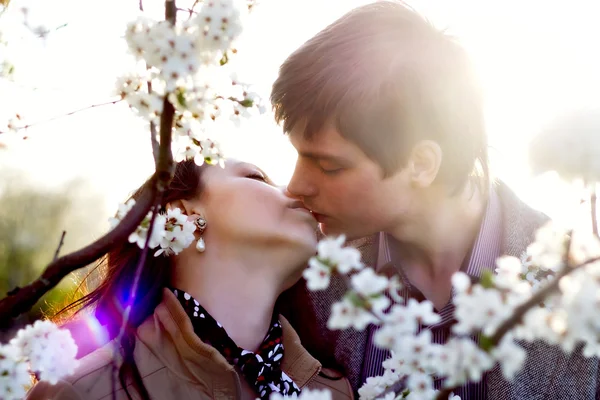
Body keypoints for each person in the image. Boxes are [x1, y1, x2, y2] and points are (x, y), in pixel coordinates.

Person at [271, 1, 600, 399]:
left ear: (422, 163)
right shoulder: (302, 277)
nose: (294, 186)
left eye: (329, 166)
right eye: (299, 155)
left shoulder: (579, 291)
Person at [26, 159, 353, 400]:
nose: (293, 190)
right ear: (183, 214)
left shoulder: (333, 390)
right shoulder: (82, 392)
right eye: (256, 177)